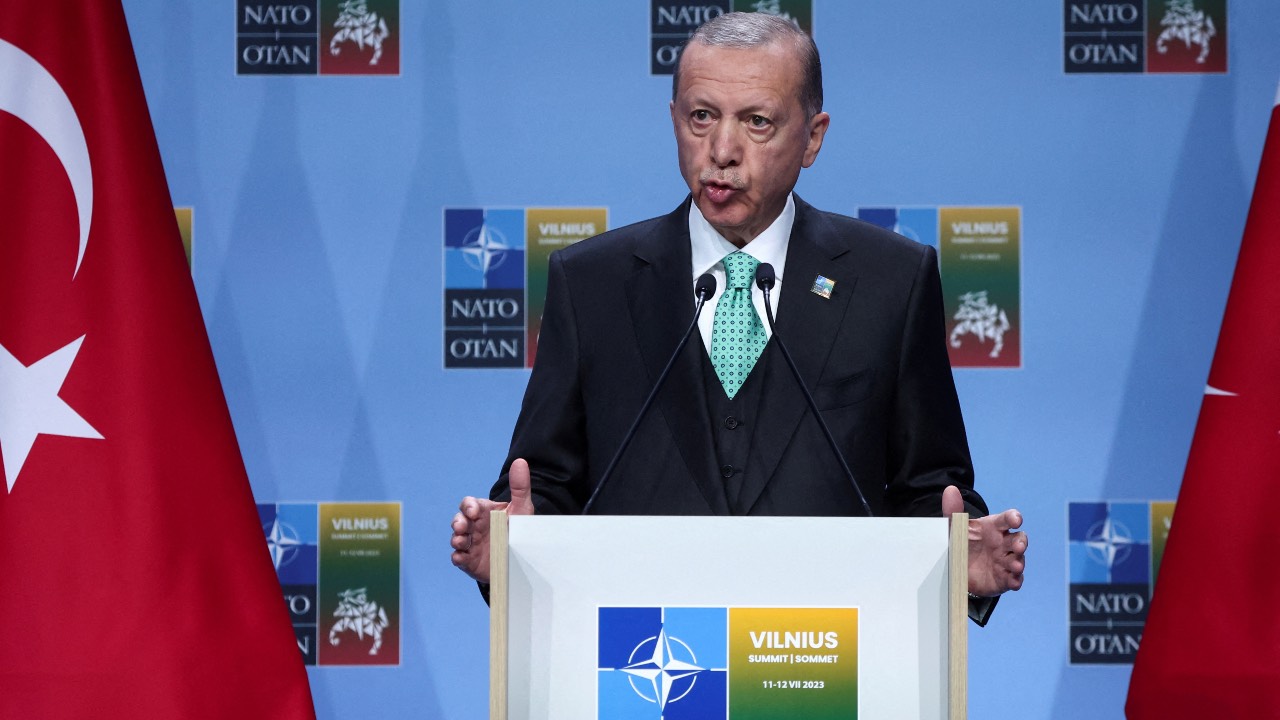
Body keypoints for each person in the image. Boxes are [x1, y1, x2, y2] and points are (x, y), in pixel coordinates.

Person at [450, 12, 1026, 624]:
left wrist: (962, 563)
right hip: (644, 661)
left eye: (757, 122)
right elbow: (543, 486)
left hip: (819, 658)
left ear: (813, 137)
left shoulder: (891, 281)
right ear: (673, 119)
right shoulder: (592, 282)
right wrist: (512, 548)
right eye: (702, 117)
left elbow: (929, 490)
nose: (721, 151)